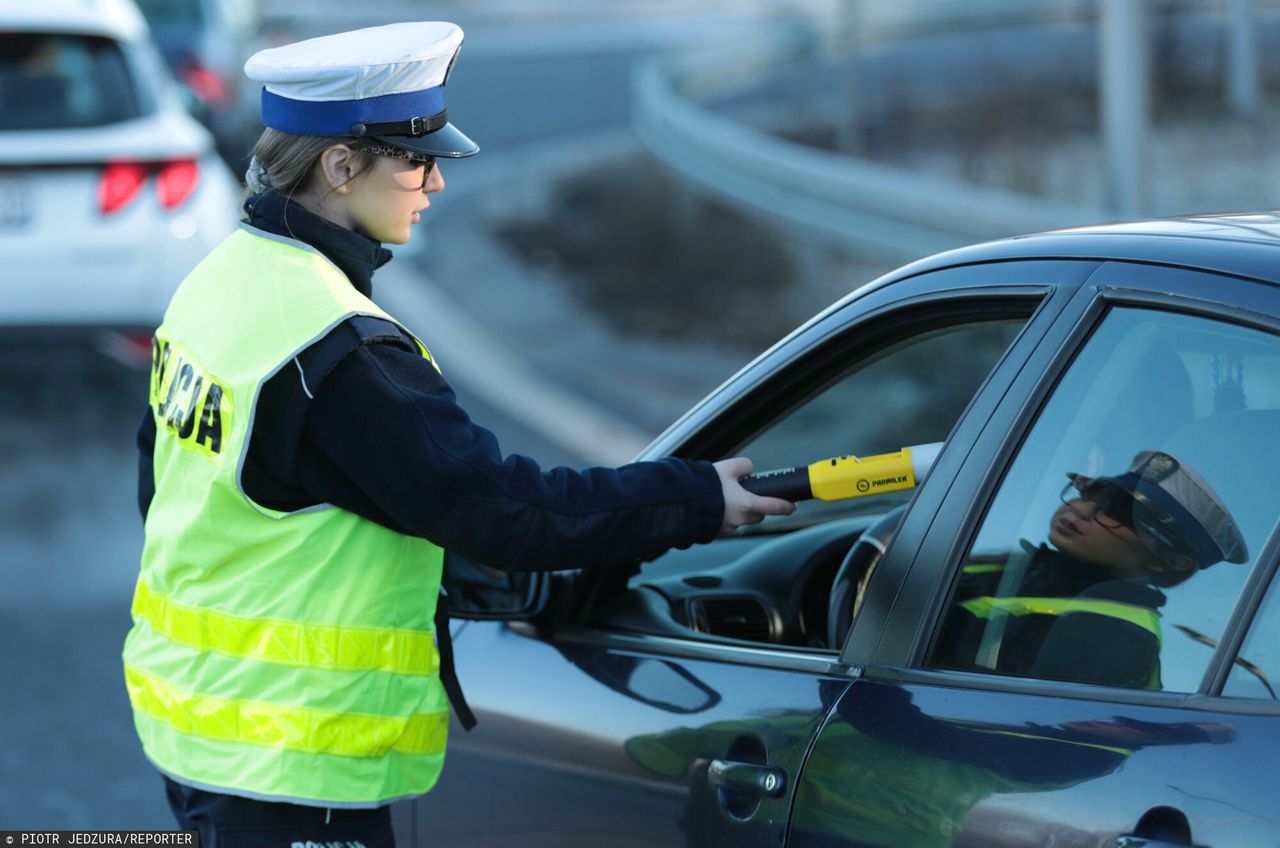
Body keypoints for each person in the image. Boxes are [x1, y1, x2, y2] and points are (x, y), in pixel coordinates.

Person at [122, 21, 794, 845]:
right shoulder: (336, 349)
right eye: (414, 158)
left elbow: (170, 489)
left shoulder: (219, 284)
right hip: (292, 762)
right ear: (340, 167)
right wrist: (695, 498)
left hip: (196, 729)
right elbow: (502, 508)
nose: (435, 181)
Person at [934, 449, 1246, 689]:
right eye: (1093, 493)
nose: (1082, 511)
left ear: (1164, 561)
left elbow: (959, 664)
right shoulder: (1025, 568)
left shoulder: (1116, 638)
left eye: (1117, 511)